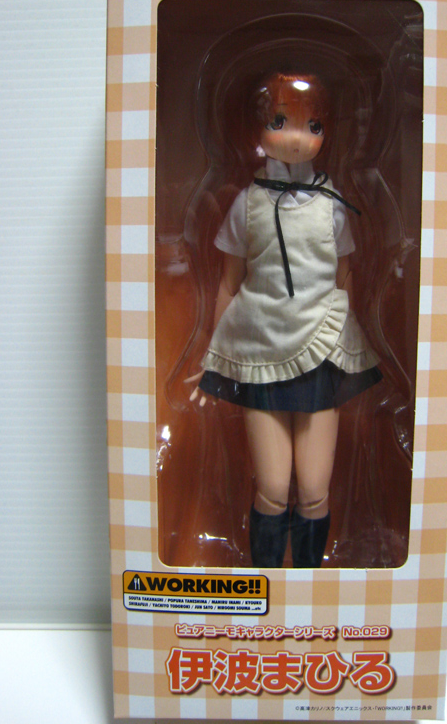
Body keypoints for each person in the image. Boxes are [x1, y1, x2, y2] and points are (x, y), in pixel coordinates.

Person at [189, 71, 381, 568]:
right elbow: (229, 283)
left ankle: (309, 582)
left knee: (314, 489)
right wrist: (213, 357)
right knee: (273, 487)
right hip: (260, 349)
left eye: (312, 125)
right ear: (256, 129)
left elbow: (343, 278)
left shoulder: (333, 206)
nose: (296, 137)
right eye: (281, 122)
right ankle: (268, 583)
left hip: (321, 351)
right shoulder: (247, 204)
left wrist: (349, 342)